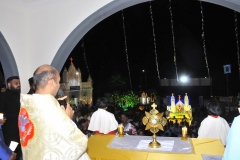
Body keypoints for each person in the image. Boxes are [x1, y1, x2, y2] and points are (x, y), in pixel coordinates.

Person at [19, 64, 90, 160]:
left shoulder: (26, 105)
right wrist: (67, 118)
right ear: (52, 82)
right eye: (58, 82)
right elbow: (78, 143)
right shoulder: (51, 108)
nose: (59, 85)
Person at [0, 76, 22, 160]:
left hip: (20, 129)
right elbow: (0, 111)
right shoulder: (3, 96)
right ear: (9, 85)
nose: (18, 85)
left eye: (19, 83)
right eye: (16, 83)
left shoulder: (20, 96)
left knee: (19, 152)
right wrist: (1, 121)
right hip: (10, 129)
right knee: (12, 152)